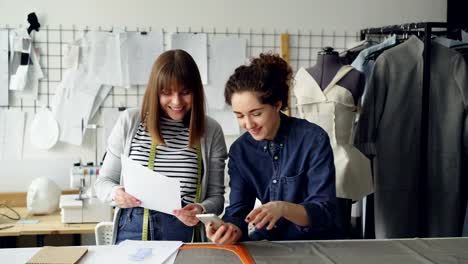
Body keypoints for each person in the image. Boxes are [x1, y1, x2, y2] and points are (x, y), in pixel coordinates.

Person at [95, 49, 227, 244]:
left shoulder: (210, 131)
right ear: (155, 92)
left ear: (196, 92)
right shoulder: (130, 122)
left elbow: (217, 198)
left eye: (185, 92)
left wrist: (200, 209)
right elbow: (103, 182)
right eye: (166, 93)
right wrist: (116, 194)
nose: (177, 102)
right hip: (131, 231)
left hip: (184, 235)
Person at [206, 53, 339, 245]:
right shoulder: (240, 151)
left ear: (277, 105)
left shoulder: (312, 139)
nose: (248, 124)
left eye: (256, 113)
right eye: (240, 116)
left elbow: (324, 212)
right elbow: (238, 211)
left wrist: (283, 208)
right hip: (268, 243)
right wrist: (229, 230)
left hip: (316, 244)